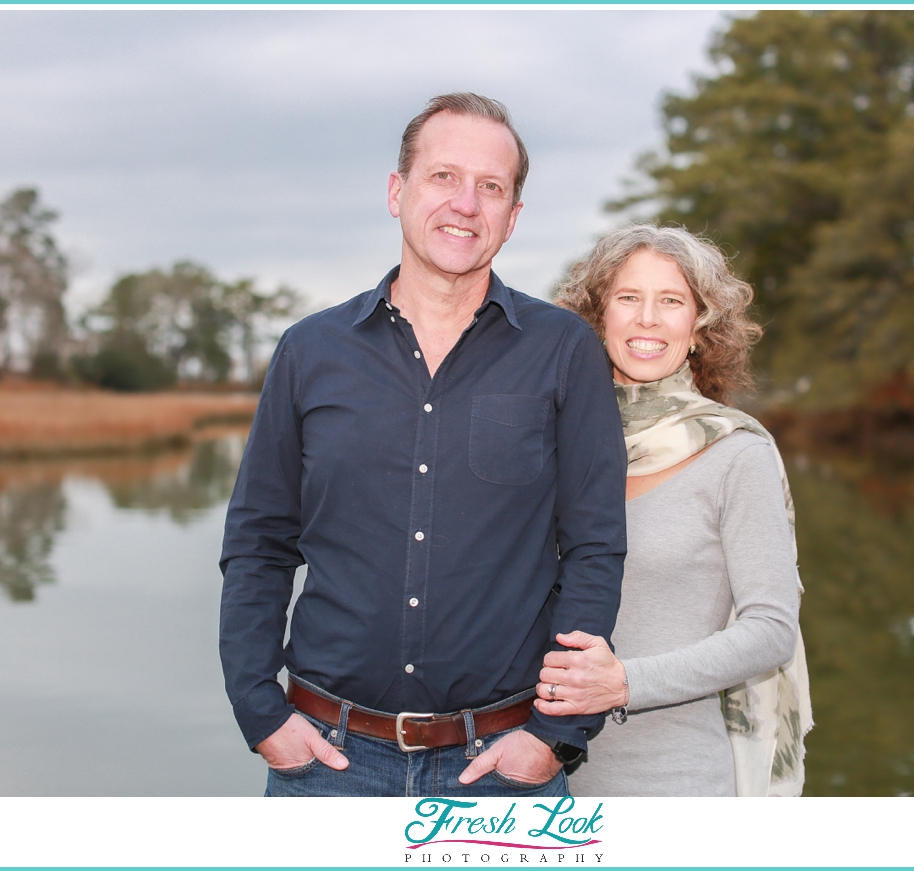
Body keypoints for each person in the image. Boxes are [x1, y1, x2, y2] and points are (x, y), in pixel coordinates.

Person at [218, 93, 627, 797]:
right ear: (396, 191)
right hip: (326, 763)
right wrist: (259, 710)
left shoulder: (564, 352)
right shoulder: (310, 351)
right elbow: (259, 540)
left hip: (502, 766)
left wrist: (554, 737)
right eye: (443, 177)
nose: (465, 204)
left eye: (490, 187)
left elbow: (593, 547)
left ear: (513, 216)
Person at [540, 224, 812, 797]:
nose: (647, 319)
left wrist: (624, 684)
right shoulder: (547, 444)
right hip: (526, 773)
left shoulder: (737, 453)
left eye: (671, 301)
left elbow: (770, 630)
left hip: (672, 783)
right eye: (628, 298)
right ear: (596, 317)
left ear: (699, 327)